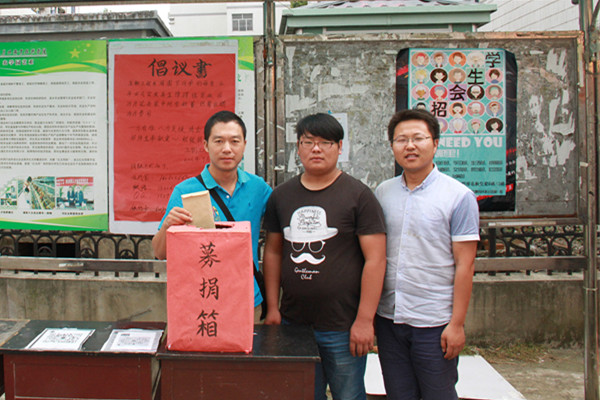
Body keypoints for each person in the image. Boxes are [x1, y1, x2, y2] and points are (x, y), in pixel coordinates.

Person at [262, 113, 387, 400]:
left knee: (348, 394)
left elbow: (376, 259)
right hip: (293, 324)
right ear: (298, 147)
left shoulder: (359, 196)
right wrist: (272, 308)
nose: (316, 149)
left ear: (340, 147)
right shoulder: (281, 196)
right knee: (301, 394)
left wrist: (365, 320)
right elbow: (273, 251)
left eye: (325, 142)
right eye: (308, 142)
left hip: (343, 326)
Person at [374, 109, 480, 400]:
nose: (410, 146)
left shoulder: (458, 196)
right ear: (392, 146)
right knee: (399, 394)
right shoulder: (383, 192)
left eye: (418, 138)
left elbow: (465, 264)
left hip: (434, 322)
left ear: (435, 143)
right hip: (389, 318)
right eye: (401, 140)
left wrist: (456, 324)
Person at [152, 110, 272, 321]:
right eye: (219, 141)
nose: (227, 149)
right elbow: (160, 252)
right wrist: (168, 226)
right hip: (200, 302)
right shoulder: (185, 191)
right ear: (206, 145)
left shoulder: (258, 188)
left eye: (234, 141)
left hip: (247, 302)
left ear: (244, 145)